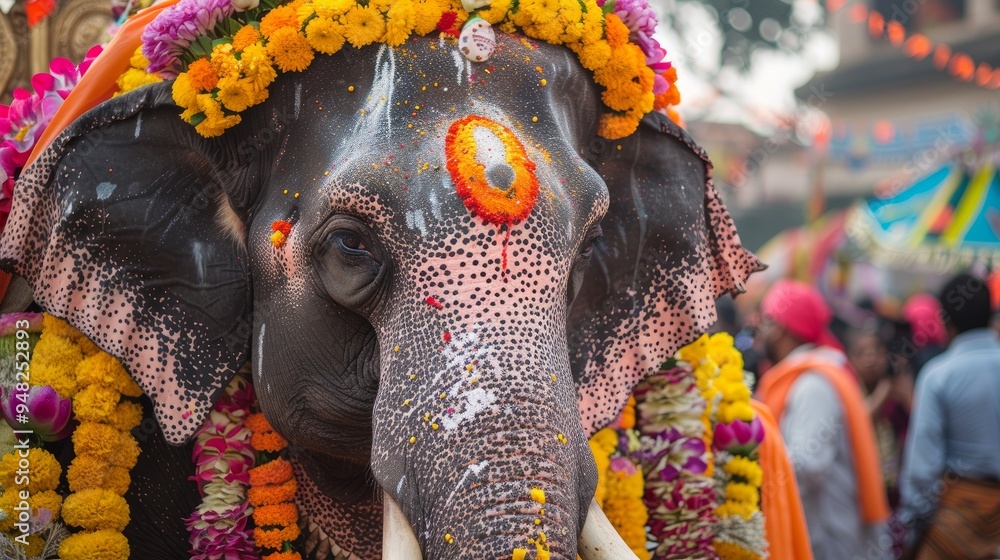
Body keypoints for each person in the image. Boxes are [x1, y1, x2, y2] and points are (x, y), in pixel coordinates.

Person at [754, 280, 890, 560]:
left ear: (780, 327)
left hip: (828, 537)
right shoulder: (809, 375)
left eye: (766, 320)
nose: (760, 330)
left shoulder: (812, 384)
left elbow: (807, 464)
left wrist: (756, 481)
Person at [898, 273, 1000, 560]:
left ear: (946, 322)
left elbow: (923, 470)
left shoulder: (938, 375)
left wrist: (912, 528)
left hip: (956, 519)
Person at [848, 329, 911, 509]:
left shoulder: (898, 392)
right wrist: (884, 390)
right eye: (862, 354)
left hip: (895, 487)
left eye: (877, 352)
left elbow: (916, 424)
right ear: (851, 359)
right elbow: (861, 423)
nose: (870, 359)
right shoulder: (850, 394)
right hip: (862, 489)